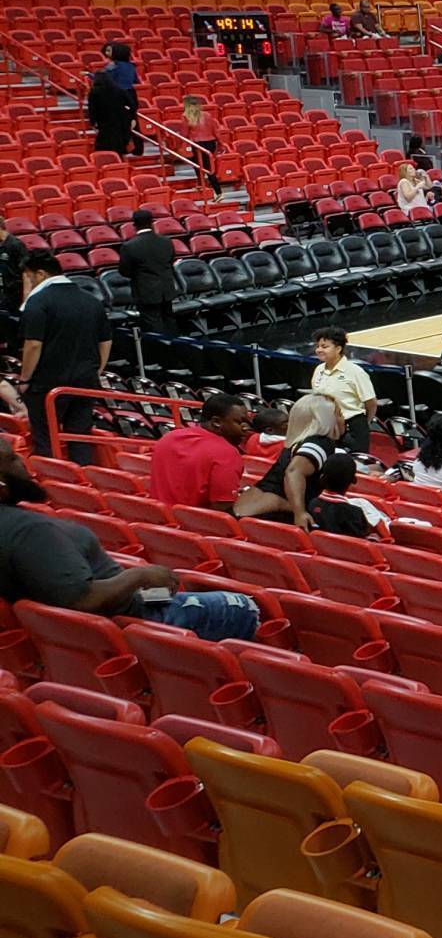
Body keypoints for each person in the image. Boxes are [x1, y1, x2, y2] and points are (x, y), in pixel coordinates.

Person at [0, 438, 256, 639]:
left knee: (183, 588)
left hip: (127, 605)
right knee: (246, 605)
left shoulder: (16, 522)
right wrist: (140, 576)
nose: (22, 461)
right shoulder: (29, 531)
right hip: (133, 613)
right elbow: (82, 600)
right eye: (12, 459)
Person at [20, 252, 107, 462]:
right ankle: (84, 481)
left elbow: (33, 345)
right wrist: (97, 370)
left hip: (47, 384)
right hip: (84, 380)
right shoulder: (91, 300)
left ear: (39, 274)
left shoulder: (38, 302)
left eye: (29, 277)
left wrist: (25, 379)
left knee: (45, 439)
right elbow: (105, 340)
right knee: (80, 436)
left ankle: (54, 485)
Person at [232, 395, 345, 524]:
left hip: (244, 512)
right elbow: (293, 472)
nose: (343, 420)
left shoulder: (296, 443)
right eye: (339, 414)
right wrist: (300, 513)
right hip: (266, 516)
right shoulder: (321, 443)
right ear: (326, 420)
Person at [149, 391, 251, 511]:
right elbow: (222, 509)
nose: (246, 428)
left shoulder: (169, 437)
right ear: (216, 422)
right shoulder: (227, 453)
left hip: (157, 519)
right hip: (191, 526)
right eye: (240, 422)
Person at [310, 328, 377, 453]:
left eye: (324, 346)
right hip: (327, 426)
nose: (319, 350)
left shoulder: (355, 372)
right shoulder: (319, 370)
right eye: (318, 346)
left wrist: (363, 423)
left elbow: (371, 403)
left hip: (352, 427)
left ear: (338, 348)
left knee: (355, 464)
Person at [116, 207, 177, 337]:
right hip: (167, 289)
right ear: (152, 222)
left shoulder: (130, 246)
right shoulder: (166, 241)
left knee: (153, 326)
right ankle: (177, 352)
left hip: (146, 292)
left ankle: (160, 354)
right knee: (169, 321)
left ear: (134, 225)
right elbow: (170, 261)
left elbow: (124, 271)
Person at [87, 41, 137, 157]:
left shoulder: (111, 68)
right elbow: (135, 81)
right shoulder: (131, 66)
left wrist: (92, 121)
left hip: (110, 107)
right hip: (127, 98)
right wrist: (132, 115)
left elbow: (92, 108)